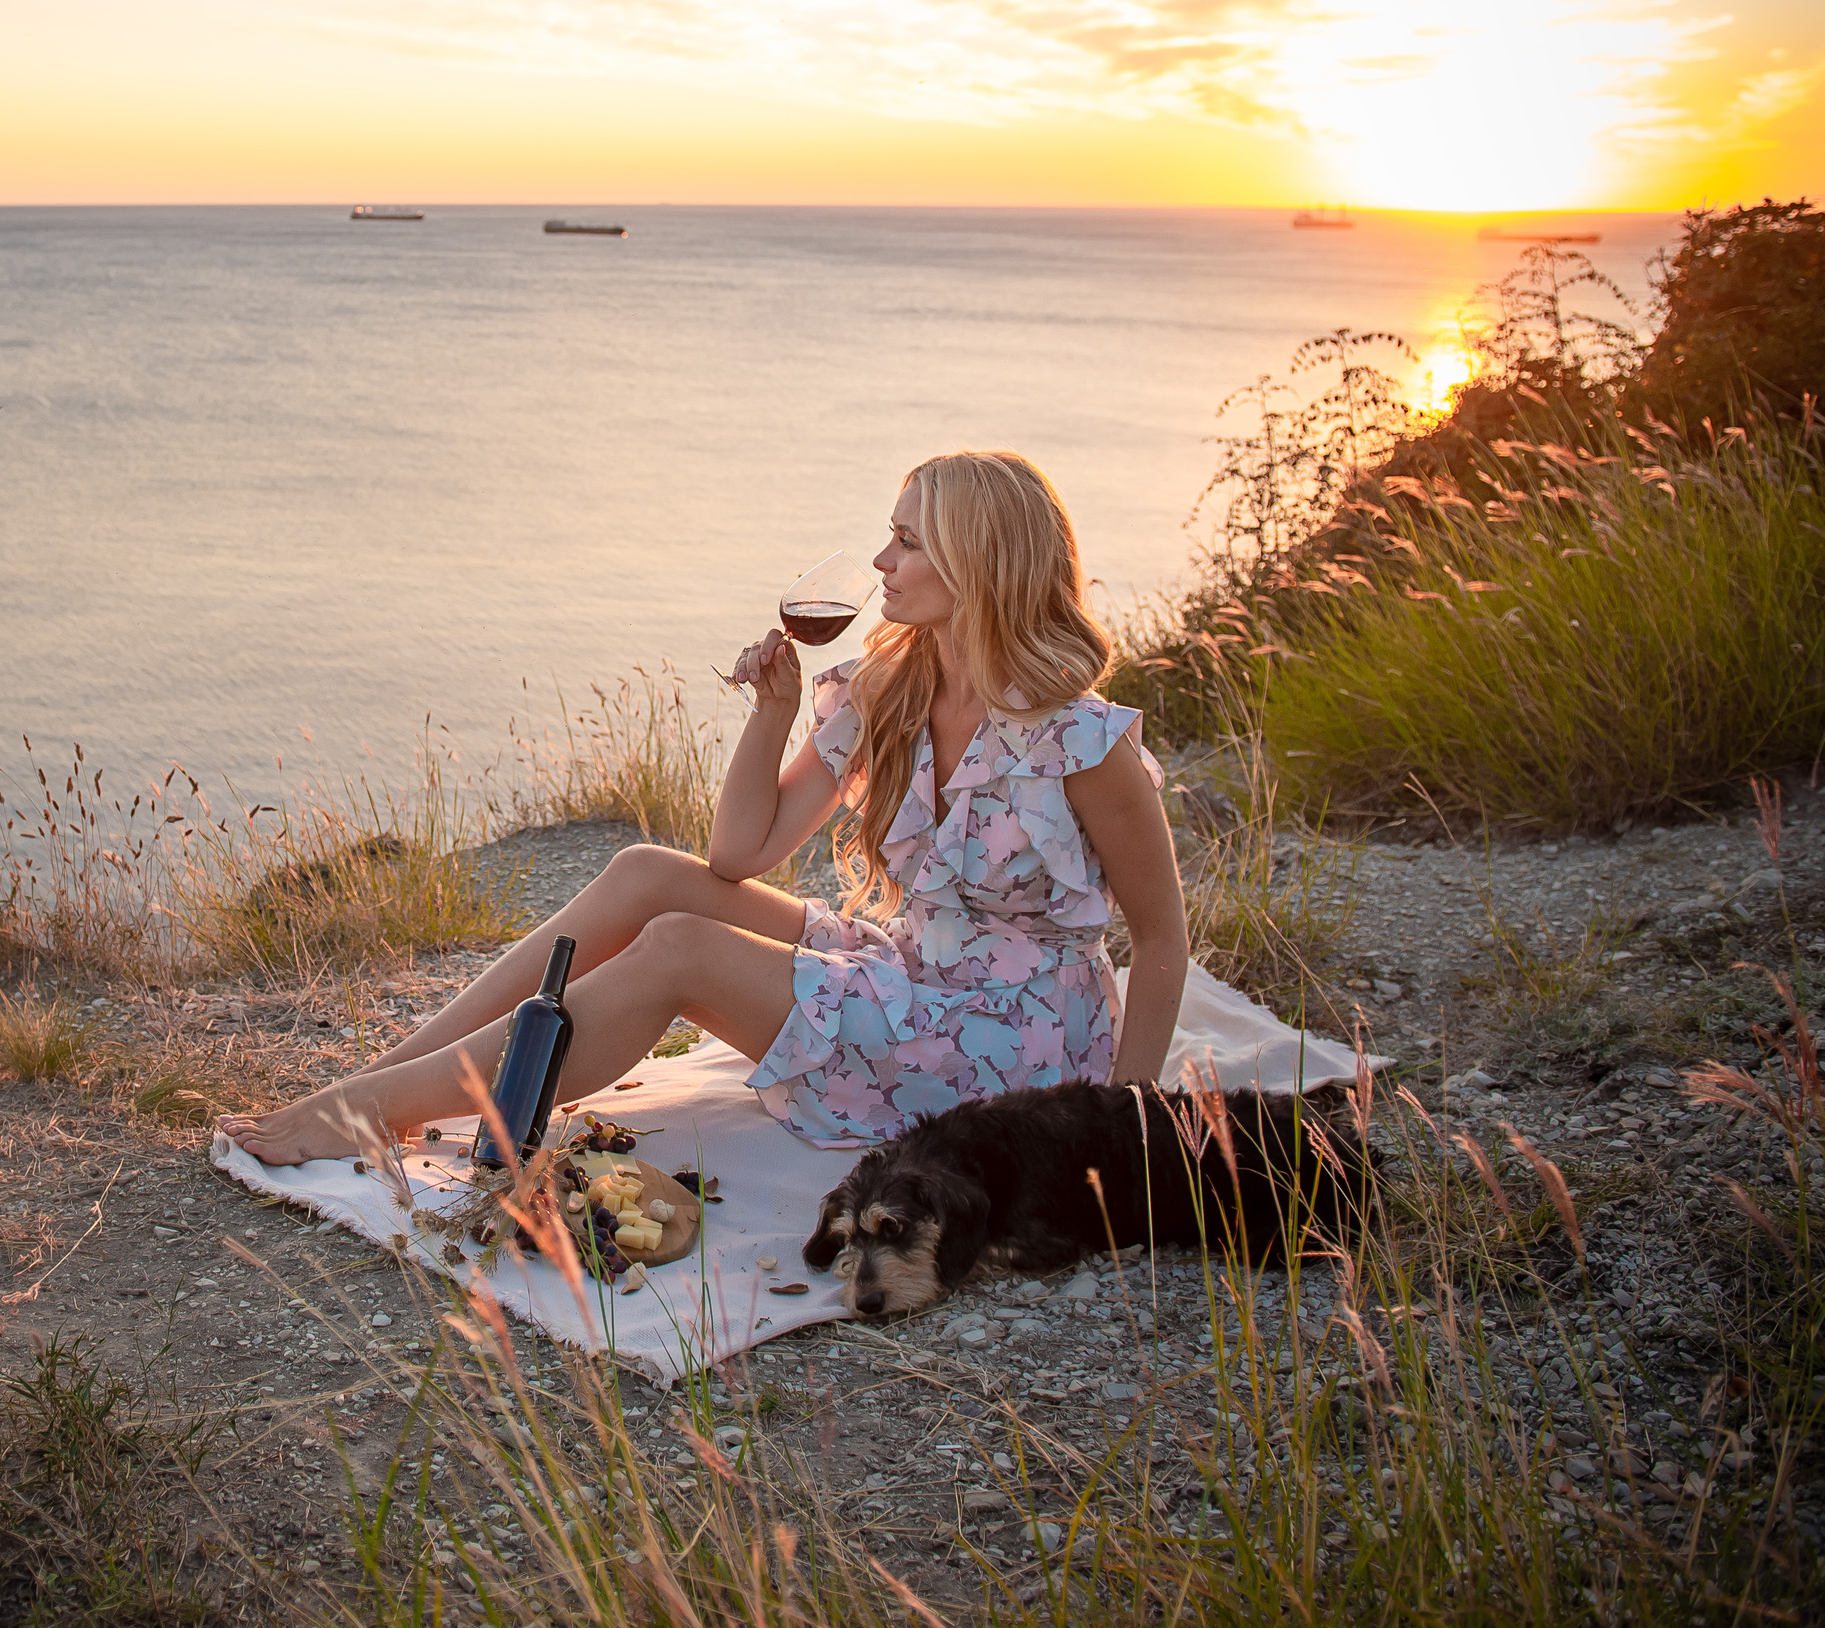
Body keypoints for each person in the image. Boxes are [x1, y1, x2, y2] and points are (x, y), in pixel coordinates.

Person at [218, 450, 1188, 1167]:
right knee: (651, 873)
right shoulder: (889, 690)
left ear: (977, 560)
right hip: (909, 965)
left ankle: (368, 1110)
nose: (881, 560)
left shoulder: (1080, 742)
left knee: (680, 946)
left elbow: (1159, 940)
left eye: (906, 539)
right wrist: (771, 715)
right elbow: (738, 852)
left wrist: (1120, 1119)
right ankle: (383, 1078)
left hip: (1005, 1033)